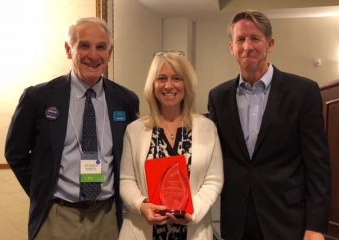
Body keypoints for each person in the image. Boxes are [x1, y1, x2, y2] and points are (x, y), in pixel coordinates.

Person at [5, 17, 139, 240]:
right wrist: (43, 192)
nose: (93, 55)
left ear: (110, 52)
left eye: (101, 47)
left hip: (107, 217)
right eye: (84, 45)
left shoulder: (125, 100)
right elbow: (15, 153)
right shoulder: (39, 98)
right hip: (57, 216)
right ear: (69, 49)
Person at [208, 10, 331, 240]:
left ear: (270, 44)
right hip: (236, 221)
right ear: (231, 47)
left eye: (255, 38)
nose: (247, 46)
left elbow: (318, 166)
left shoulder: (302, 92)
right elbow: (214, 156)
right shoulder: (218, 97)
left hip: (286, 220)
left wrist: (316, 227)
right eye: (240, 39)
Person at [119, 50, 224, 240]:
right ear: (153, 84)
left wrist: (193, 213)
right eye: (161, 78)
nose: (168, 85)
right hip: (143, 231)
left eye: (177, 78)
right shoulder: (134, 130)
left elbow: (213, 180)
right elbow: (126, 181)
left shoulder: (207, 128)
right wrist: (142, 206)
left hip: (193, 230)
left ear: (187, 84)